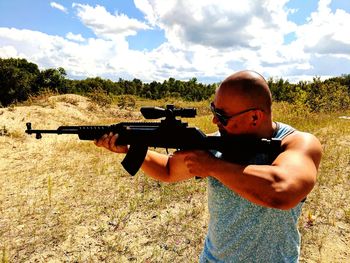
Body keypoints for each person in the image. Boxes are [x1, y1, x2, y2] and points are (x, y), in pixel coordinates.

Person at [94, 70, 322, 262]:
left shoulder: (298, 143)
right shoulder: (215, 142)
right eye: (214, 111)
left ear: (255, 117)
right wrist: (133, 149)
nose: (214, 121)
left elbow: (282, 191)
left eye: (221, 115)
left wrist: (213, 166)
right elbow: (168, 170)